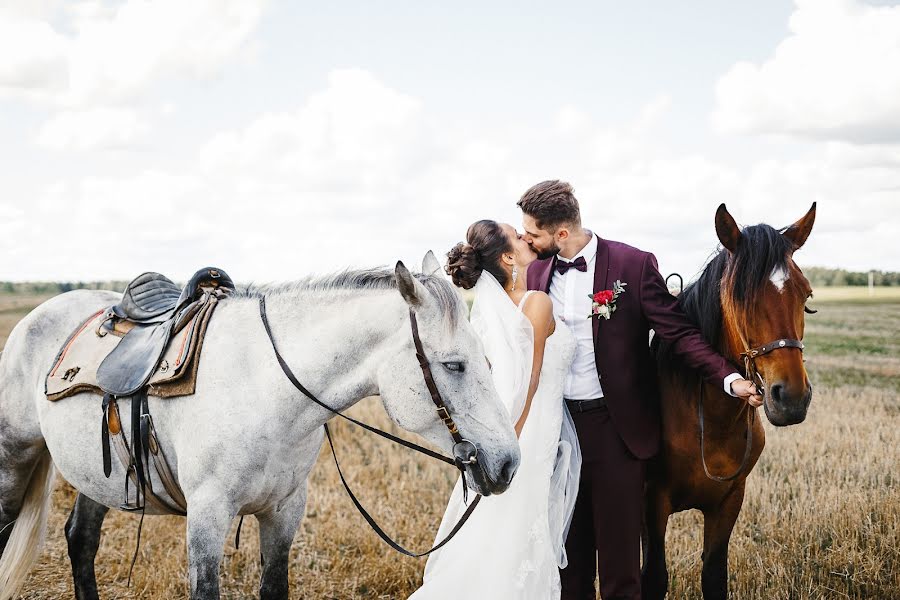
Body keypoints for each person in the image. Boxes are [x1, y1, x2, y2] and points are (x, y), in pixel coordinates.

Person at [518, 180, 763, 600]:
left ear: (561, 234)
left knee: (621, 570)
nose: (526, 239)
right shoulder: (537, 272)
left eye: (533, 233)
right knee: (568, 565)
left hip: (616, 432)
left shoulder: (632, 265)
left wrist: (730, 379)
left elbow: (679, 334)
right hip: (557, 433)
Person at [410, 219, 580, 600]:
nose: (523, 237)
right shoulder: (537, 303)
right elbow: (530, 381)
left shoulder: (498, 312)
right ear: (508, 256)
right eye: (516, 235)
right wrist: (511, 441)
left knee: (504, 532)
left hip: (525, 425)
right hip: (527, 433)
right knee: (517, 533)